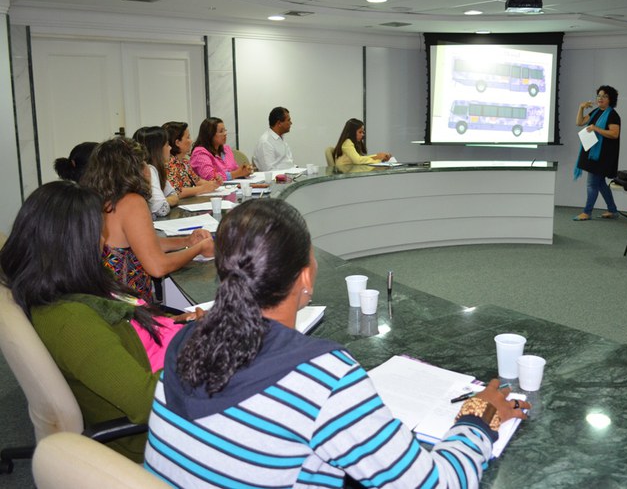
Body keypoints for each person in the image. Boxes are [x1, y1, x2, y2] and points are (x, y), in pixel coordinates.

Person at [144, 198, 530, 488]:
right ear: (305, 277)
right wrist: (477, 421)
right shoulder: (324, 379)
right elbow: (435, 484)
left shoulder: (186, 343)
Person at [0, 181, 203, 462]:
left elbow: (128, 323)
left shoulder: (73, 284)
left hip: (173, 358)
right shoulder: (71, 322)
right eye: (97, 233)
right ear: (73, 244)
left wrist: (181, 324)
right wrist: (204, 349)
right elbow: (148, 401)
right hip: (161, 429)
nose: (103, 242)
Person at [80, 137, 214, 303]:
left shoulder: (98, 200)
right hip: (130, 307)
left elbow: (141, 244)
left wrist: (186, 241)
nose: (148, 168)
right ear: (132, 169)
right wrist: (199, 248)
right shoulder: (131, 202)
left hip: (105, 299)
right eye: (143, 162)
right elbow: (158, 266)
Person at [573, 85, 621, 221]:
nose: (600, 98)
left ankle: (587, 212)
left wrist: (596, 128)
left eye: (604, 96)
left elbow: (614, 134)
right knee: (600, 184)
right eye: (599, 96)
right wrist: (581, 107)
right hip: (593, 153)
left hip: (603, 156)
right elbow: (579, 122)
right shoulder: (596, 112)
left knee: (592, 184)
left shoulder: (613, 115)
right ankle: (613, 210)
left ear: (610, 99)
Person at [162, 121, 221, 198]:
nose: (191, 141)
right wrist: (202, 189)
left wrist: (213, 184)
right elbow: (176, 191)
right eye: (188, 137)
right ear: (177, 142)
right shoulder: (169, 163)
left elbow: (197, 180)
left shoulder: (184, 161)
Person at [133, 126, 179, 218]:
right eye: (167, 145)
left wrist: (163, 201)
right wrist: (163, 202)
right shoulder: (148, 170)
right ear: (156, 149)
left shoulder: (156, 169)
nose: (170, 148)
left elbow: (174, 195)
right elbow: (162, 209)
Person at [252, 106, 295, 172]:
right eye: (288, 120)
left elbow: (289, 162)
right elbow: (269, 171)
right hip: (276, 180)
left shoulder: (280, 138)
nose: (291, 123)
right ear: (279, 123)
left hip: (289, 176)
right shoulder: (265, 142)